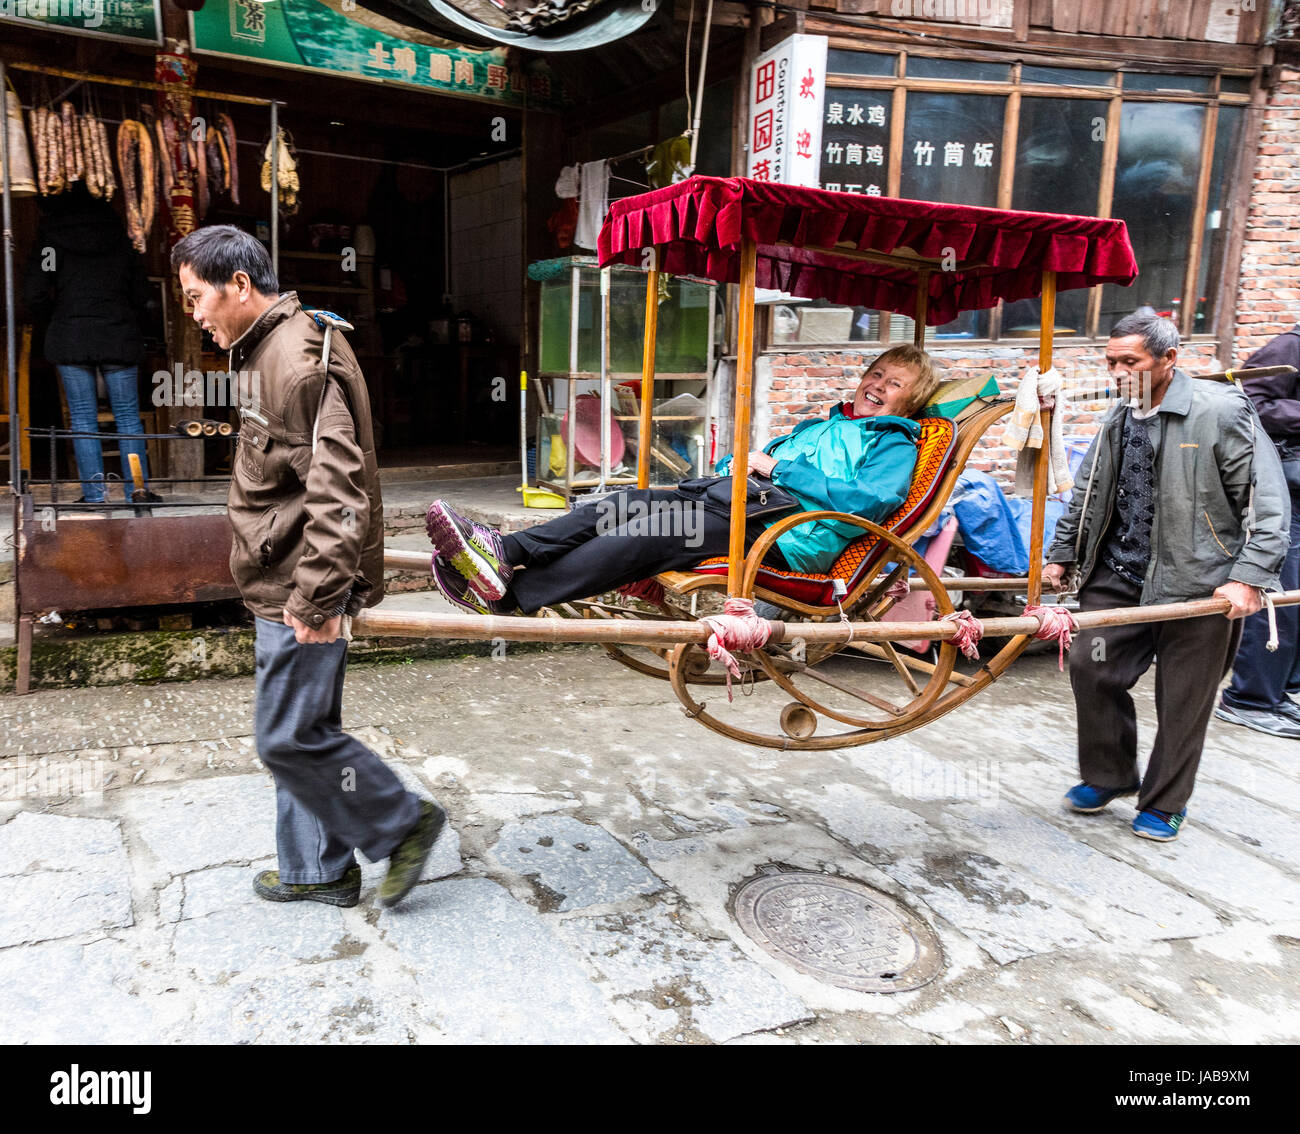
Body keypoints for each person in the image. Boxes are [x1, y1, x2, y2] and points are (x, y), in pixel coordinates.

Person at [171, 225, 445, 909]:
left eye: (197, 296)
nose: (195, 314)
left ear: (239, 284)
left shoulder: (297, 362)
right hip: (283, 574)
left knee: (288, 737)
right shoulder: (270, 347)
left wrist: (317, 600)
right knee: (304, 731)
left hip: (300, 583)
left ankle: (401, 821)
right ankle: (316, 869)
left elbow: (339, 492)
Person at [425, 345, 941, 616]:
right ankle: (505, 552)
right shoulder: (824, 423)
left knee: (652, 531)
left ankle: (510, 596)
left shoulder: (893, 439)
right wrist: (739, 468)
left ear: (909, 403)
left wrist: (778, 468)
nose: (878, 386)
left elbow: (873, 503)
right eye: (876, 374)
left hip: (791, 531)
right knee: (627, 502)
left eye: (894, 384)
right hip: (745, 502)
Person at [1044, 309, 1289, 842]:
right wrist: (1062, 552)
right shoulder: (1119, 415)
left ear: (1168, 359)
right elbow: (1088, 492)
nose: (1117, 372)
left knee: (1184, 700)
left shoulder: (1221, 411)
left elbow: (1267, 500)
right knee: (1092, 666)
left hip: (1199, 580)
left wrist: (1249, 576)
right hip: (1119, 573)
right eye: (1110, 361)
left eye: (1129, 361)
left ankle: (1164, 802)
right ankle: (1109, 776)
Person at [22, 184, 161, 504]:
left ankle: (94, 495)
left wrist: (58, 313)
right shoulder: (121, 235)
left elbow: (36, 290)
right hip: (117, 332)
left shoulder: (51, 241)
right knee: (127, 417)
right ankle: (137, 490)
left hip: (71, 334)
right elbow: (141, 292)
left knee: (82, 417)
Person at [1214, 324, 1300, 738]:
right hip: (1288, 490)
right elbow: (1248, 402)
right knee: (1280, 595)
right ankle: (1247, 699)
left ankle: (1277, 692)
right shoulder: (1289, 347)